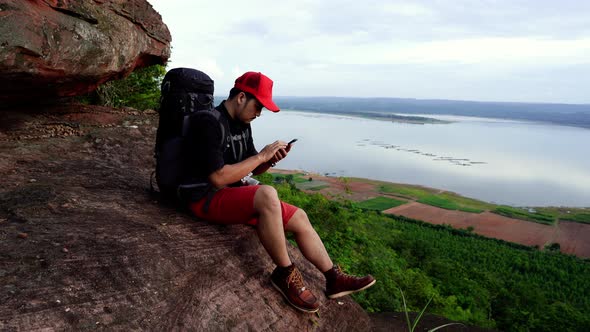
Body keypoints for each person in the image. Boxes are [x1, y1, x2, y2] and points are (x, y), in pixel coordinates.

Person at [187, 71, 375, 313]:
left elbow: (251, 166)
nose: (259, 113)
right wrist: (261, 155)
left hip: (229, 194)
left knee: (300, 217)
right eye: (258, 106)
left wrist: (269, 160)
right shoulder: (210, 122)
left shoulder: (242, 125)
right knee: (267, 194)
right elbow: (218, 176)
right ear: (241, 97)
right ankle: (285, 273)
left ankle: (333, 278)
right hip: (204, 197)